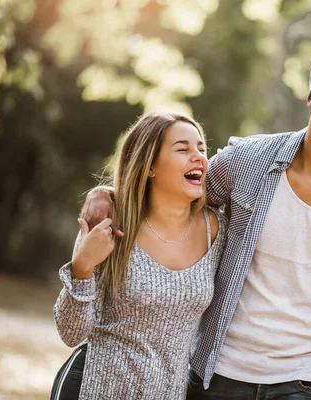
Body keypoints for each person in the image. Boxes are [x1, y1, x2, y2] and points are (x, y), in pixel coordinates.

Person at [83, 41, 311, 400]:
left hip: (305, 380)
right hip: (218, 373)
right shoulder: (249, 160)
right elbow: (177, 190)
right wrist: (109, 194)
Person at [51, 111, 226, 400]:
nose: (198, 156)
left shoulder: (217, 230)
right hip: (93, 388)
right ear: (150, 167)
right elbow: (71, 333)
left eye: (201, 148)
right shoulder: (109, 222)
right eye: (183, 149)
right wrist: (82, 267)